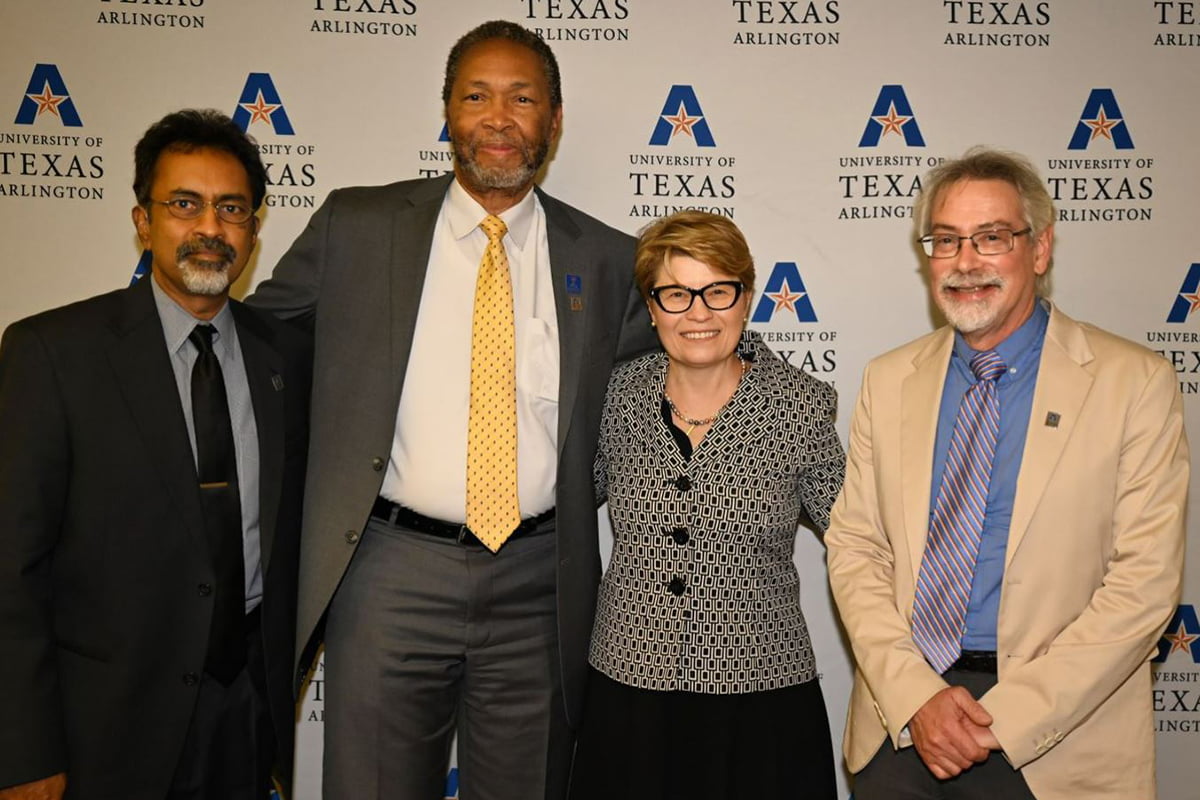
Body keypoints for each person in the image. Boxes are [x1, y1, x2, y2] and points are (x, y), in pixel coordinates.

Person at [246, 19, 656, 800]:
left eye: (523, 98)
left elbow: (679, 362)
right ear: (447, 112)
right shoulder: (356, 226)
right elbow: (257, 348)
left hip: (542, 583)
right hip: (388, 571)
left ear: (554, 121)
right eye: (476, 96)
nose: (498, 118)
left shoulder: (606, 258)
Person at [825, 147, 1188, 800]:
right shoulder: (888, 380)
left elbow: (1144, 585)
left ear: (1040, 249)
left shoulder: (1134, 383)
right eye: (946, 240)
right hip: (901, 727)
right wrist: (917, 698)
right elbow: (856, 549)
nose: (966, 263)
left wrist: (1007, 720)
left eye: (991, 238)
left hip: (1058, 744)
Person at [0, 109, 311, 800]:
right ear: (144, 221)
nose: (209, 228)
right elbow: (11, 570)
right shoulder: (53, 353)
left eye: (231, 209)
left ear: (254, 231)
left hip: (246, 713)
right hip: (104, 725)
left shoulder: (285, 357)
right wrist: (22, 750)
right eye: (184, 205)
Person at [567, 211, 845, 800]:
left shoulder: (802, 407)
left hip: (761, 696)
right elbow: (559, 506)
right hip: (629, 687)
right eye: (676, 293)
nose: (698, 312)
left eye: (718, 291)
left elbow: (860, 538)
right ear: (651, 305)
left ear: (746, 297)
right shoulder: (613, 396)